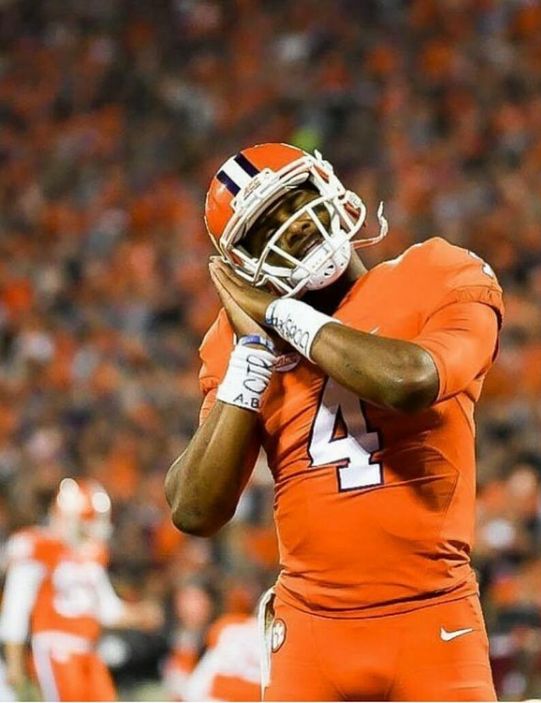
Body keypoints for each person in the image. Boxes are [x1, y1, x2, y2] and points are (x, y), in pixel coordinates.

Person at [165, 142, 504, 701]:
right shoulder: (234, 342)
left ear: (325, 183)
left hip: (431, 617)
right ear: (240, 269)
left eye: (291, 202)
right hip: (310, 632)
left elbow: (412, 381)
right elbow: (194, 509)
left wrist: (279, 315)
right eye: (263, 229)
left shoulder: (436, 270)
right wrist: (251, 356)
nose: (290, 228)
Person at [0, 478, 161, 701]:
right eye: (87, 527)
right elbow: (15, 610)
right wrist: (14, 660)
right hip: (55, 646)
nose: (92, 535)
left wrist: (139, 614)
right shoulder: (39, 547)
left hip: (89, 650)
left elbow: (106, 609)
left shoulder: (91, 557)